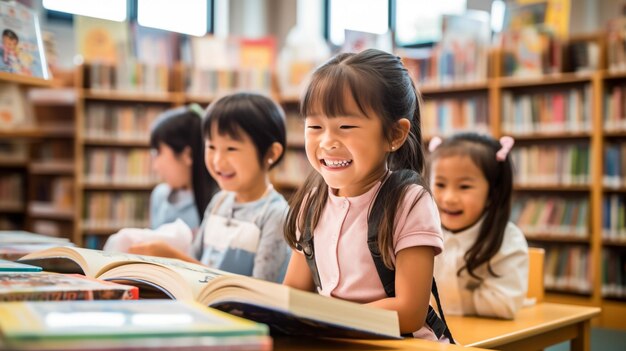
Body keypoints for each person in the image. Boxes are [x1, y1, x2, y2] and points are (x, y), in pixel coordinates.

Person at [282, 49, 448, 341]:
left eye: (346, 127)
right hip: (337, 340)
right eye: (315, 127)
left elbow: (410, 311)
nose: (328, 142)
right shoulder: (312, 202)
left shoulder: (408, 202)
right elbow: (293, 293)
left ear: (394, 135)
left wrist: (328, 320)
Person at [130, 93, 291, 283]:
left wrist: (173, 257)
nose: (217, 161)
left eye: (231, 149)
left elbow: (262, 292)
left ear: (271, 153)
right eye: (211, 147)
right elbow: (195, 259)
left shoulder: (276, 214)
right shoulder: (219, 201)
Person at [428, 132, 529, 320]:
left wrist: (435, 301)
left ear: (492, 193)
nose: (449, 198)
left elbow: (504, 304)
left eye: (464, 187)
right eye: (440, 184)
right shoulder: (422, 229)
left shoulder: (508, 239)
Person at [149, 104, 219, 230]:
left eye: (159, 152)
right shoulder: (159, 196)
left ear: (187, 155)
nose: (155, 166)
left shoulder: (220, 202)